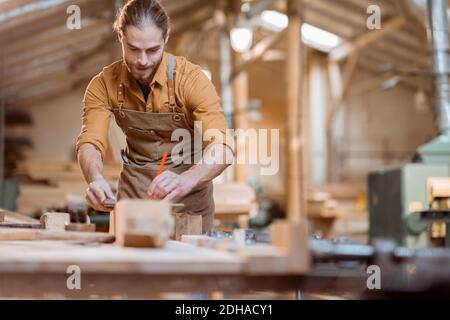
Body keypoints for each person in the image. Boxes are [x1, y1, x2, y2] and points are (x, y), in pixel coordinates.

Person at [76, 0, 234, 233]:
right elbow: (90, 142)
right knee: (130, 267)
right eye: (133, 49)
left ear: (166, 38)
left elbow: (223, 147)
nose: (143, 60)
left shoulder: (191, 80)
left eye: (152, 50)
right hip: (133, 202)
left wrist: (188, 179)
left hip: (187, 203)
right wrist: (95, 178)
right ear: (120, 37)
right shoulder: (103, 85)